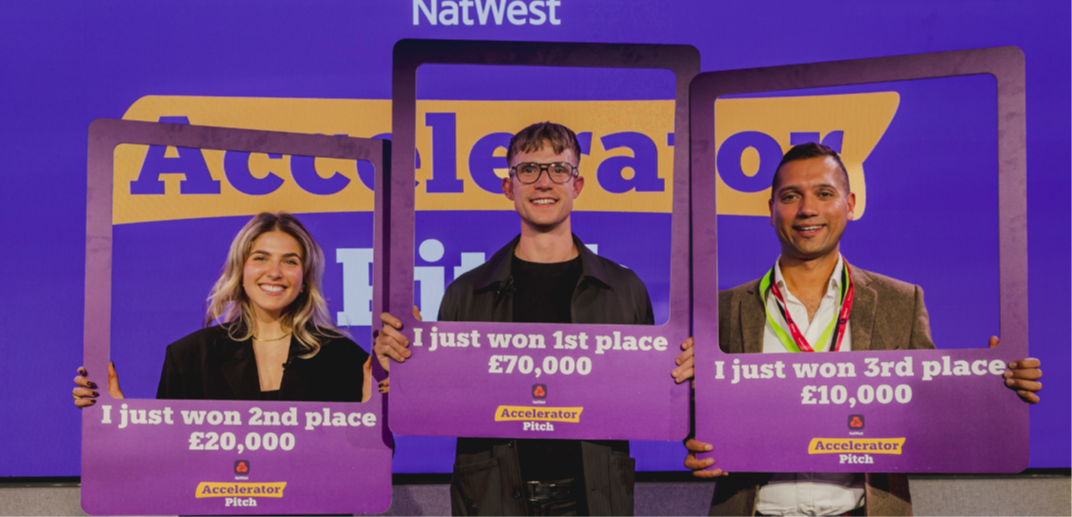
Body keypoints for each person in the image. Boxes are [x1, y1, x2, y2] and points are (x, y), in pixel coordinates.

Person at [678, 143, 1043, 517]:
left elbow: (931, 409)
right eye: (791, 196)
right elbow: (700, 422)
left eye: (824, 193)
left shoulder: (901, 302)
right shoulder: (722, 310)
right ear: (771, 210)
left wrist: (996, 389)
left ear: (850, 204)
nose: (807, 209)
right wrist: (696, 442)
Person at [376, 121, 669, 517]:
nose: (543, 182)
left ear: (577, 185)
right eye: (528, 169)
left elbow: (649, 402)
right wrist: (406, 365)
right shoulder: (465, 293)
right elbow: (437, 402)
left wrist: (677, 375)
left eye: (558, 169)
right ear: (509, 187)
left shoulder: (625, 289)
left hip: (594, 498)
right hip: (492, 497)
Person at [73, 212, 372, 405]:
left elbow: (370, 464)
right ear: (240, 271)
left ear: (305, 279)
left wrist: (373, 420)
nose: (275, 272)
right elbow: (165, 457)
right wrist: (113, 417)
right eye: (261, 258)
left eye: (290, 261)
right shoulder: (189, 356)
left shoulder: (343, 358)